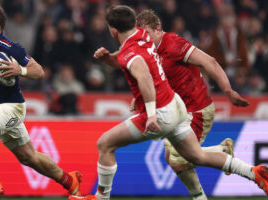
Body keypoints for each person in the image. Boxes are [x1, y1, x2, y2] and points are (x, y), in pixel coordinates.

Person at [69, 5, 268, 200]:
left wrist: (150, 112)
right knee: (194, 156)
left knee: (105, 143)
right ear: (134, 26)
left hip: (171, 111)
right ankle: (254, 173)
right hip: (176, 106)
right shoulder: (143, 37)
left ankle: (101, 198)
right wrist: (109, 60)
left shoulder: (144, 49)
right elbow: (138, 66)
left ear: (113, 31)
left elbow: (144, 75)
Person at [0, 3, 82, 200]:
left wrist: (21, 70)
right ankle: (69, 180)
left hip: (12, 108)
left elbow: (39, 71)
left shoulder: (10, 47)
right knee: (30, 157)